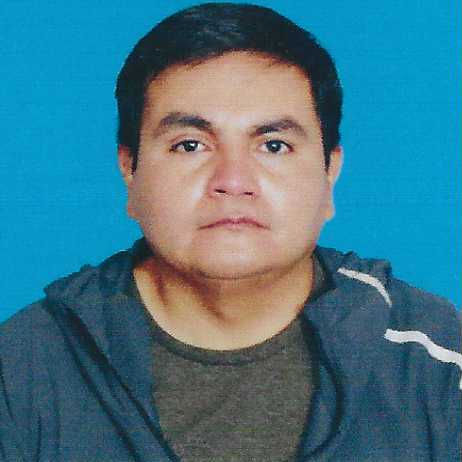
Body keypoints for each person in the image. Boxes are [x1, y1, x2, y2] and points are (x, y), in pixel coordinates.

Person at [0, 3, 460, 461]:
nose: (233, 181)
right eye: (190, 145)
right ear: (130, 171)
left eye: (274, 145)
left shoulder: (438, 361)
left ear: (329, 173)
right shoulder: (23, 366)